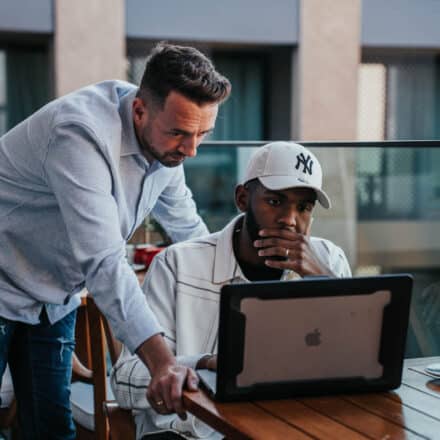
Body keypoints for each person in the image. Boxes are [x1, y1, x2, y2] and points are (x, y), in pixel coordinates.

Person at [0, 43, 231, 439]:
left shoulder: (166, 146)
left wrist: (243, 299)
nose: (191, 150)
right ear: (139, 110)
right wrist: (163, 363)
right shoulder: (79, 133)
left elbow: (190, 232)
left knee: (52, 432)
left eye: (202, 134)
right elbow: (104, 263)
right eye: (179, 133)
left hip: (52, 298)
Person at [111, 141, 352, 439]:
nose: (289, 220)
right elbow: (125, 380)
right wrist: (203, 363)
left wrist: (325, 284)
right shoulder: (177, 264)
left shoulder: (329, 261)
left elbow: (355, 365)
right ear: (242, 198)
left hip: (291, 427)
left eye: (303, 208)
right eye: (275, 201)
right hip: (189, 434)